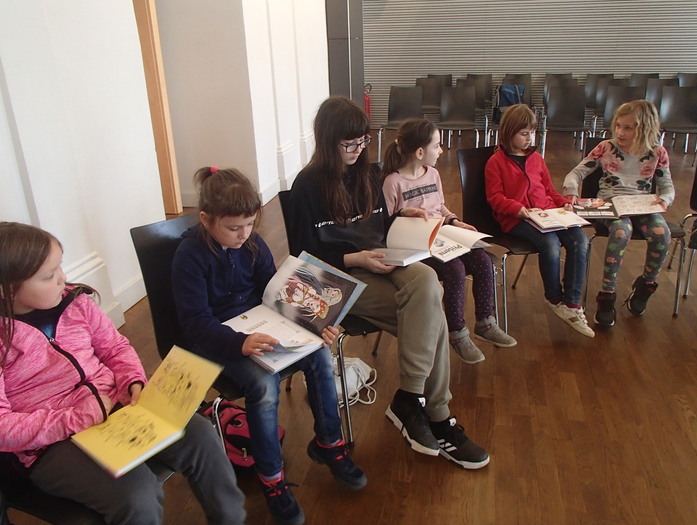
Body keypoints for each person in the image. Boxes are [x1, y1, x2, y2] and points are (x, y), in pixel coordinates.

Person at [287, 96, 490, 471]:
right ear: (327, 140)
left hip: (380, 256)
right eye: (349, 143)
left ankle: (410, 398)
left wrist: (400, 217)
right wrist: (355, 259)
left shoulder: (368, 173)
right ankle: (438, 417)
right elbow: (304, 258)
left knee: (427, 279)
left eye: (362, 141)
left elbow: (376, 227)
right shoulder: (307, 185)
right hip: (337, 275)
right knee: (432, 318)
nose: (357, 149)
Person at [0, 222, 246, 525]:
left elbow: (115, 348)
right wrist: (76, 418)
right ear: (7, 288)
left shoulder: (76, 302)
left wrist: (131, 379)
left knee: (202, 436)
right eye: (49, 276)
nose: (62, 278)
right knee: (138, 496)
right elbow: (3, 427)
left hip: (115, 406)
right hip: (50, 445)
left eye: (60, 266)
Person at [171, 167, 366, 525]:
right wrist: (239, 342)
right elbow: (195, 323)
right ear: (206, 219)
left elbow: (275, 292)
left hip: (259, 325)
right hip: (216, 339)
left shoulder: (253, 244)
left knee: (320, 356)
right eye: (234, 227)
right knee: (263, 384)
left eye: (250, 224)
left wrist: (316, 324)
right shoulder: (190, 255)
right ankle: (272, 477)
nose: (244, 234)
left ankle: (328, 443)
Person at [380, 118, 517, 365]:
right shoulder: (393, 182)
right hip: (415, 245)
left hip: (441, 235)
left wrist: (454, 221)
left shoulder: (433, 174)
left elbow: (440, 207)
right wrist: (403, 215)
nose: (441, 151)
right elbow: (385, 224)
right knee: (455, 269)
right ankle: (457, 333)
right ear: (420, 152)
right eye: (437, 146)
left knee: (483, 260)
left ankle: (486, 322)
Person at [484, 104, 594, 338]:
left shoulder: (536, 159)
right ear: (508, 133)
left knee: (579, 240)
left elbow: (548, 190)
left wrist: (563, 202)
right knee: (550, 243)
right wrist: (519, 209)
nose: (529, 138)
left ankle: (572, 303)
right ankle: (554, 298)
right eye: (524, 133)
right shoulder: (496, 162)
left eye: (532, 133)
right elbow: (495, 198)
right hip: (515, 219)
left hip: (546, 214)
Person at [563, 100, 674, 327]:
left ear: (644, 128)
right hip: (610, 203)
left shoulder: (657, 152)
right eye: (618, 126)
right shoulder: (606, 147)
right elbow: (576, 173)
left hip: (641, 204)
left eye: (628, 128)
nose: (620, 132)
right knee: (622, 232)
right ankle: (607, 295)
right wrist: (571, 192)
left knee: (661, 234)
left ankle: (646, 285)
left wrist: (665, 199)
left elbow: (667, 186)